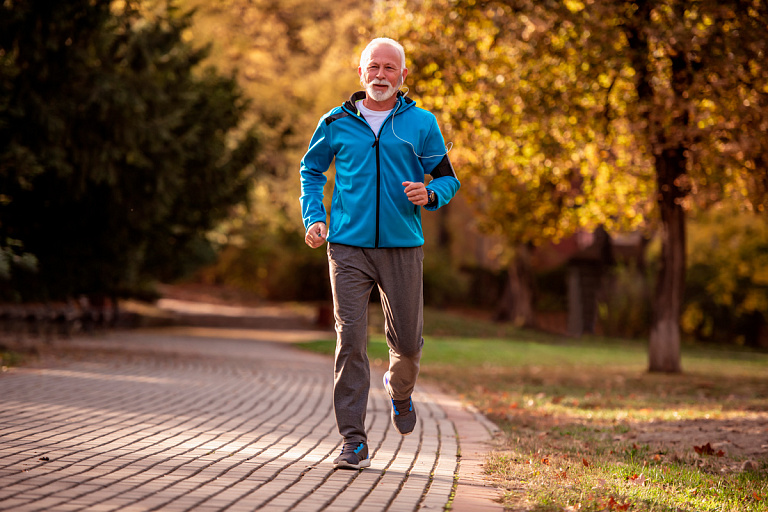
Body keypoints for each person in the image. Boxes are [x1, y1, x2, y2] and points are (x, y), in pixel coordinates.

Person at [299, 37, 460, 470]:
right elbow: (311, 170)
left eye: (391, 68)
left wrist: (429, 193)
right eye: (374, 67)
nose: (381, 75)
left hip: (402, 247)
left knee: (407, 344)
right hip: (347, 247)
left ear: (403, 76)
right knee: (350, 341)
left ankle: (399, 389)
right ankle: (353, 441)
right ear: (361, 73)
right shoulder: (335, 122)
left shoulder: (421, 123)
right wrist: (314, 216)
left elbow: (448, 179)